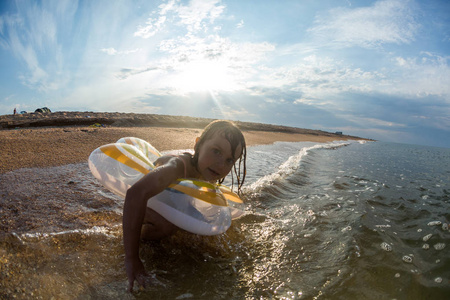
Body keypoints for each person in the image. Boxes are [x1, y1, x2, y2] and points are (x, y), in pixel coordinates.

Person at [123, 120, 247, 291]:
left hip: (168, 201)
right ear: (198, 145)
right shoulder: (176, 167)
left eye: (229, 160)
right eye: (216, 151)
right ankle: (144, 241)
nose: (221, 165)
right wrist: (132, 258)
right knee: (167, 226)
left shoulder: (205, 170)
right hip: (147, 203)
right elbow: (135, 194)